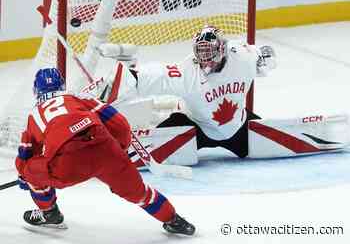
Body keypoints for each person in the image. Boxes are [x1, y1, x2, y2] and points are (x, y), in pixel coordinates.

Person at [15, 67, 195, 235]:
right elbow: (120, 124)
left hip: (69, 165)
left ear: (36, 90)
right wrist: (119, 152)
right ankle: (174, 220)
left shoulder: (34, 115)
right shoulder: (80, 98)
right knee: (140, 192)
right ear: (62, 85)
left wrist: (25, 177)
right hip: (105, 149)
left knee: (30, 171)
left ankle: (49, 212)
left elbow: (25, 154)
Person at [91, 25, 276, 164]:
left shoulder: (243, 57)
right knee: (166, 130)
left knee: (271, 151)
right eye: (201, 53)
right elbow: (142, 77)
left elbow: (268, 57)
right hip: (194, 129)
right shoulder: (186, 73)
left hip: (238, 126)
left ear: (222, 49)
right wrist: (114, 84)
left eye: (209, 52)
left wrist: (265, 59)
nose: (205, 60)